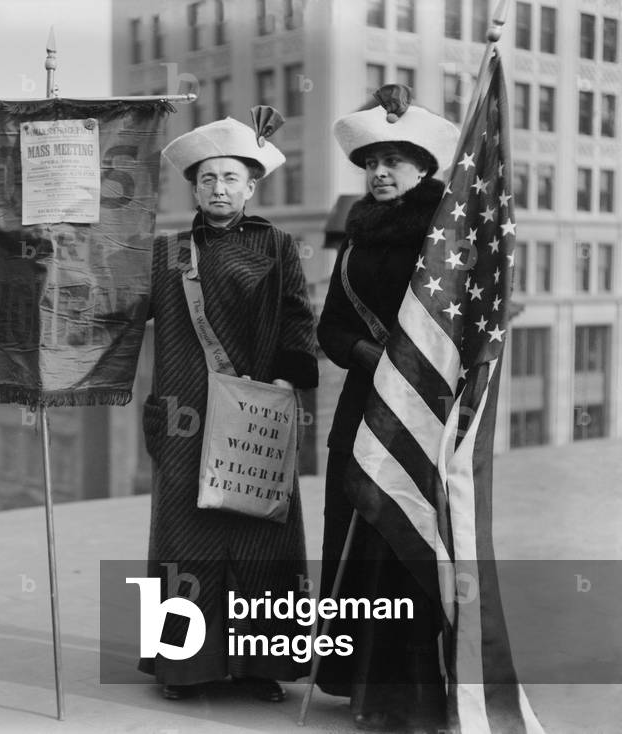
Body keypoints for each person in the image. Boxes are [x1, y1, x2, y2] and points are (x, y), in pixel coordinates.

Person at [139, 112, 319, 701]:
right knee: (184, 539)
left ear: (251, 186)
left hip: (256, 412)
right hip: (185, 411)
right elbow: (114, 315)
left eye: (231, 178)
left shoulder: (277, 245)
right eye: (208, 178)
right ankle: (183, 667)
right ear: (193, 187)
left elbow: (297, 316)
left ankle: (260, 668)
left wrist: (291, 380)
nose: (219, 188)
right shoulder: (166, 254)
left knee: (260, 538)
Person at [315, 84, 460, 732]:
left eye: (394, 161)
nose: (379, 173)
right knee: (356, 538)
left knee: (404, 548)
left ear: (424, 169)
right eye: (371, 162)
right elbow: (329, 331)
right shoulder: (355, 234)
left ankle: (412, 697)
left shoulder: (444, 239)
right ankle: (361, 687)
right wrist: (362, 354)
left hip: (421, 414)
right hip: (360, 408)